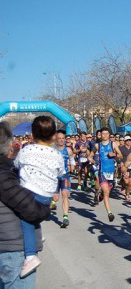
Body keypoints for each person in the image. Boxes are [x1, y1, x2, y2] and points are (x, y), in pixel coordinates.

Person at [0, 121, 51, 288]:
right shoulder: (4, 175)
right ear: (8, 147)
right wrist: (45, 204)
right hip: (12, 250)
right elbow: (32, 210)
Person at [14, 116, 65, 277]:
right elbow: (61, 174)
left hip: (30, 193)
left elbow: (15, 166)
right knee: (33, 220)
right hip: (47, 196)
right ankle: (37, 236)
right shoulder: (56, 154)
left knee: (24, 220)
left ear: (32, 134)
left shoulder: (26, 150)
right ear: (53, 135)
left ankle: (30, 256)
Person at [88, 127, 123, 222]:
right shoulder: (97, 146)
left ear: (109, 134)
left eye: (107, 134)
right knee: (106, 191)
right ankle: (110, 213)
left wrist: (114, 155)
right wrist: (91, 159)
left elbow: (121, 155)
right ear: (100, 135)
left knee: (107, 191)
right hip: (102, 172)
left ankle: (100, 196)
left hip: (111, 172)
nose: (105, 135)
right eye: (103, 134)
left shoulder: (113, 144)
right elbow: (90, 156)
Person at [53, 130, 75, 228]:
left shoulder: (68, 150)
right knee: (56, 198)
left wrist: (73, 166)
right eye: (59, 139)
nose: (61, 140)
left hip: (65, 176)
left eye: (63, 138)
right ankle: (51, 203)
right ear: (56, 140)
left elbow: (72, 160)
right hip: (54, 177)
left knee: (65, 195)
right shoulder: (52, 150)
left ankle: (65, 217)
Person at [119, 135, 131, 202]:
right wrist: (120, 162)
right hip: (124, 167)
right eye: (127, 140)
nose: (128, 141)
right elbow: (118, 156)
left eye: (129, 140)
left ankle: (127, 195)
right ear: (125, 141)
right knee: (126, 182)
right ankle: (123, 184)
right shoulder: (121, 148)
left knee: (130, 183)